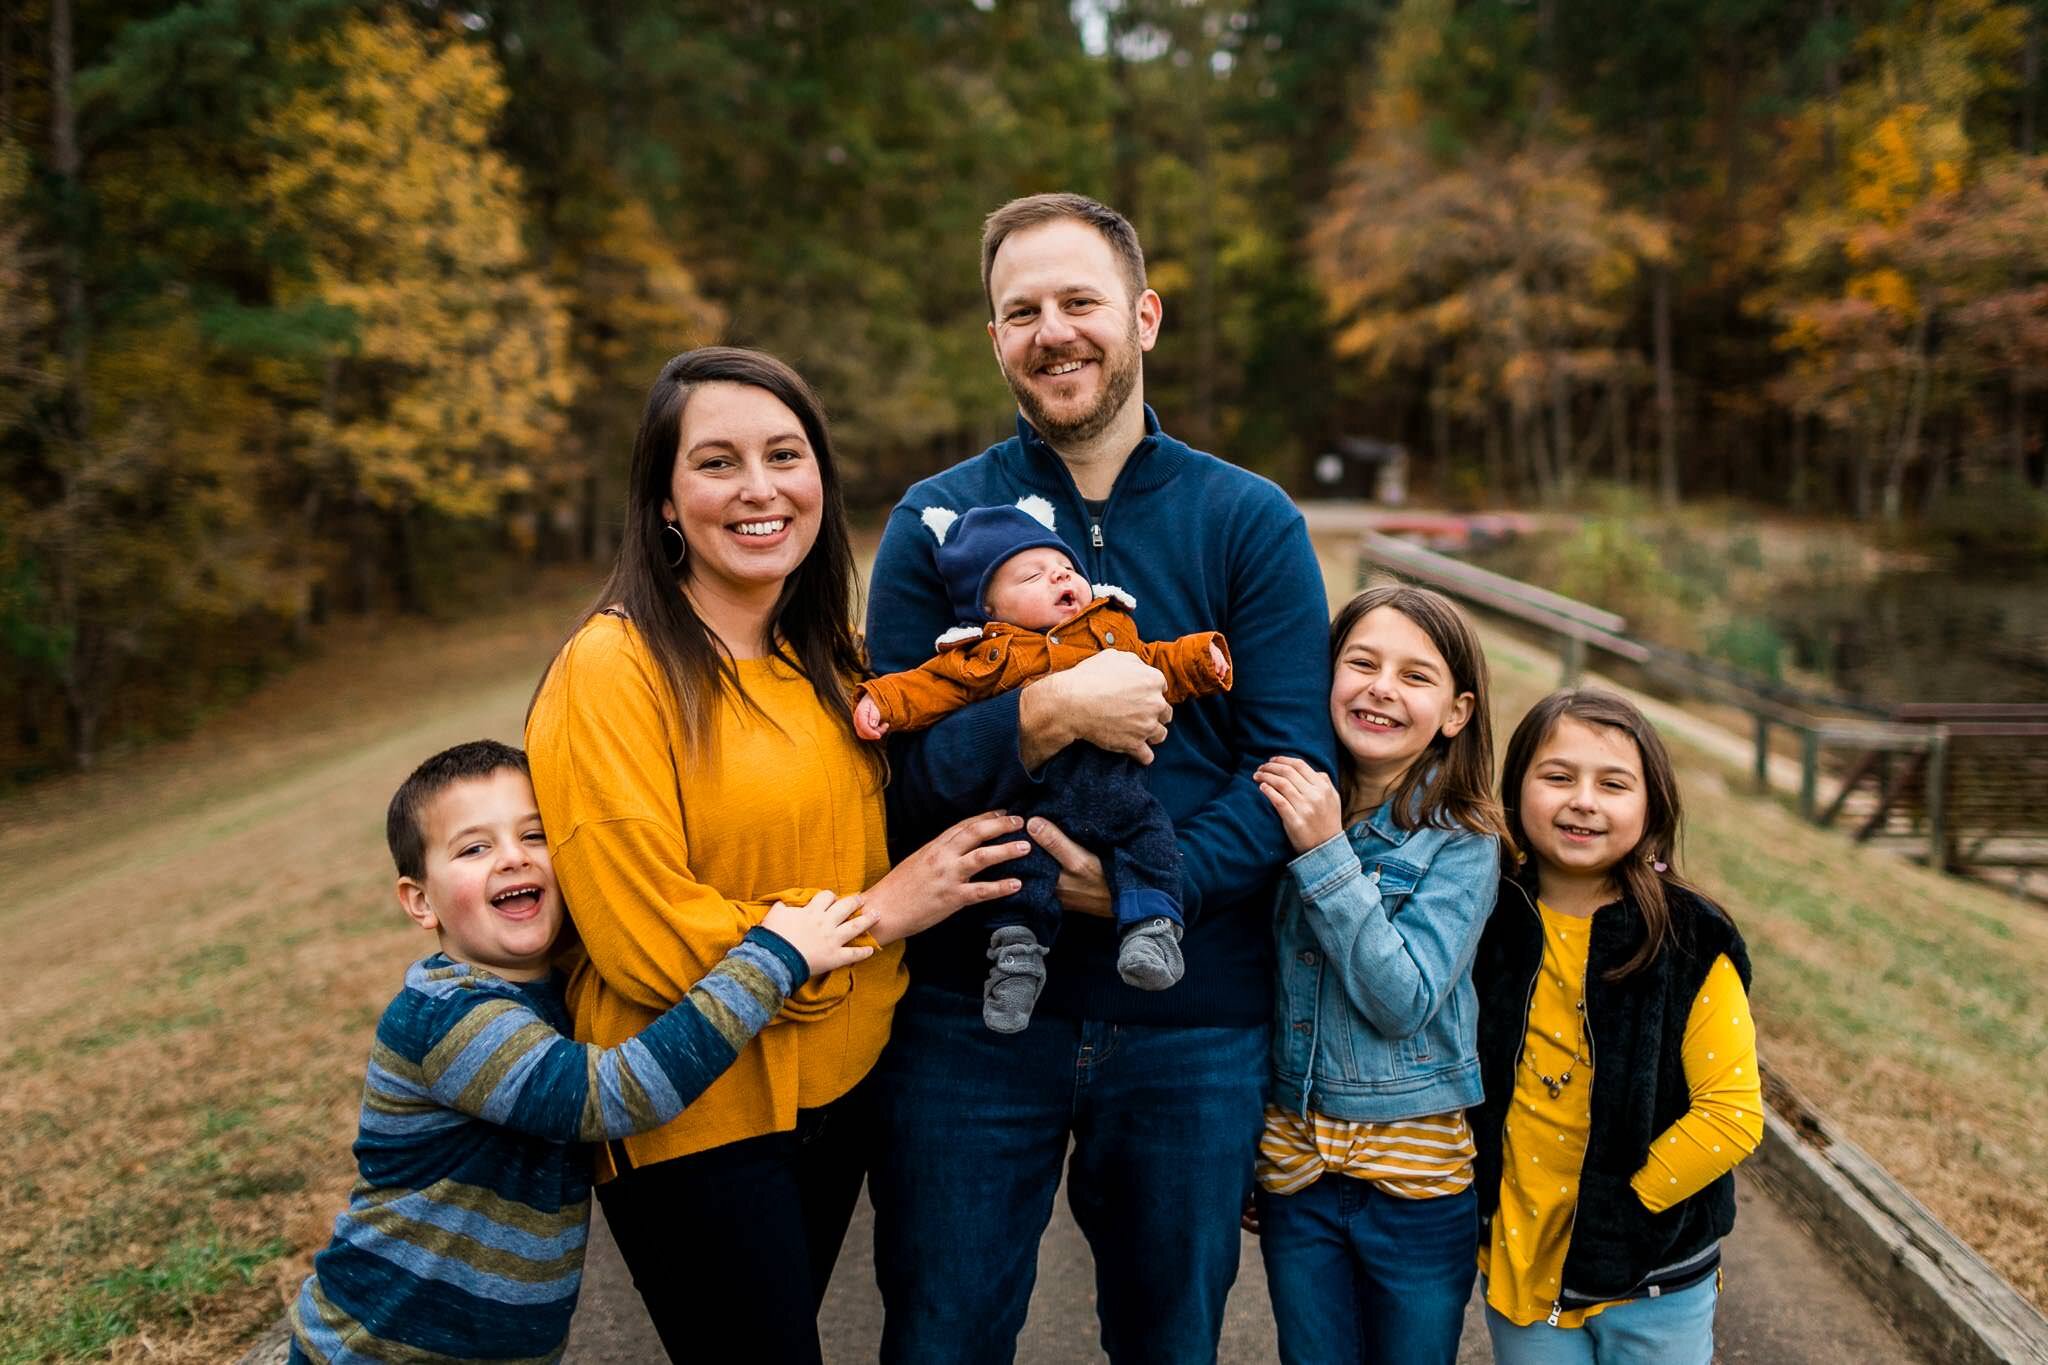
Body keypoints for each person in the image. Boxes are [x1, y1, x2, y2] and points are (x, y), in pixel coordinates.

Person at [864, 192, 1336, 1363]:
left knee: (1168, 1341)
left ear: (1143, 316)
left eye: (1078, 301)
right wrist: (1038, 714)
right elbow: (893, 780)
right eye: (1019, 311)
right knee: (941, 1336)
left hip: (1189, 1017)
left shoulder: (1249, 521)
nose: (1051, 331)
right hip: (969, 1015)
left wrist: (1136, 890)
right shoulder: (932, 522)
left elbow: (1291, 766)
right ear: (994, 341)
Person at [523, 347, 1029, 1364]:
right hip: (695, 1114)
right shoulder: (612, 672)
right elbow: (642, 940)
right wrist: (879, 915)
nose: (758, 489)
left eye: (783, 456)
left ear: (819, 481)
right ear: (664, 500)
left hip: (836, 1097)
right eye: (715, 463)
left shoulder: (832, 656)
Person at [286, 740, 877, 1364]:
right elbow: (612, 1095)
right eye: (474, 847)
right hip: (381, 1346)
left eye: (535, 835)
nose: (513, 859)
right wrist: (773, 957)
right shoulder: (446, 1016)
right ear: (420, 901)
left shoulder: (561, 991)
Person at [854, 497, 1233, 1031]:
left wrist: (1202, 658)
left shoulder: (1109, 632)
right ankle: (1015, 966)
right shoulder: (983, 657)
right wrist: (882, 703)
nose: (1061, 577)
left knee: (1150, 843)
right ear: (989, 608)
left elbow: (1159, 663)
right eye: (1033, 574)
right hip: (1031, 805)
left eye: (1066, 568)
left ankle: (1150, 934)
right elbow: (928, 687)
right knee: (1017, 879)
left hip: (1117, 791)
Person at [1251, 584, 1509, 1365]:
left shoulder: (1463, 842)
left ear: (1457, 711)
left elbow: (1405, 1001)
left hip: (1417, 1189)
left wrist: (1326, 854)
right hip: (1296, 1173)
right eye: (1361, 662)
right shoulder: (1275, 802)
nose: (1382, 688)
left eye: (1415, 675)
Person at [1473, 688, 1764, 1365]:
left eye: (1613, 783)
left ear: (1652, 807)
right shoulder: (1487, 918)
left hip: (1654, 1275)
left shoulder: (1690, 940)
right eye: (1557, 776)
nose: (1584, 800)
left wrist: (1626, 1212)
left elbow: (1731, 1114)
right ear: (1516, 789)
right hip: (1520, 1260)